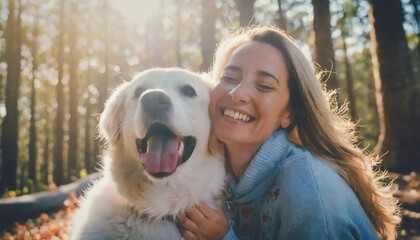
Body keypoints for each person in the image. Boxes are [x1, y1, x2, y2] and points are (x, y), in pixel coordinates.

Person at [176, 26, 400, 240]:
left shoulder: (308, 191)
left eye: (264, 85)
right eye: (230, 78)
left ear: (290, 114)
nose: (237, 93)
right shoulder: (213, 171)